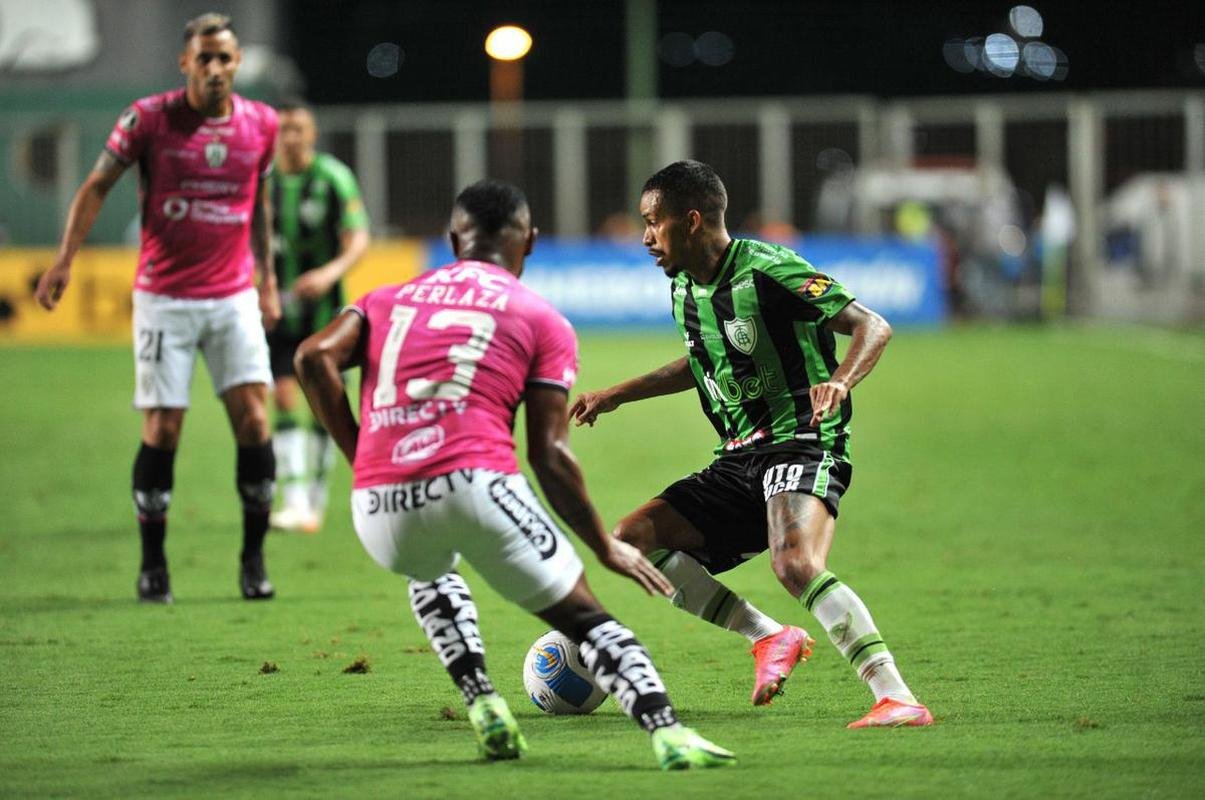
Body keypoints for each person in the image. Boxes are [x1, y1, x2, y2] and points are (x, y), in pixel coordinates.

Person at [294, 179, 734, 769]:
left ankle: (481, 701)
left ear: (454, 240)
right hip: (476, 483)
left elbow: (311, 358)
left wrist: (363, 458)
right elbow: (549, 456)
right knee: (586, 618)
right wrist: (603, 545)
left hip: (380, 508)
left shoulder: (384, 298)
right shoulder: (539, 317)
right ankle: (668, 734)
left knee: (429, 568)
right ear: (529, 241)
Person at [570, 160, 933, 729]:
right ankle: (770, 638)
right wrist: (619, 393)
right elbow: (703, 361)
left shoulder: (769, 269)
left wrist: (840, 380)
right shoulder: (686, 289)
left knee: (794, 564)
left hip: (802, 442)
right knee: (632, 541)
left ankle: (897, 697)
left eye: (653, 223)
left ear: (691, 221)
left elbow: (873, 325)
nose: (644, 238)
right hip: (739, 457)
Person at [34, 13, 280, 603]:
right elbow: (96, 185)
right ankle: (153, 567)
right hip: (165, 298)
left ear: (237, 62)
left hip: (232, 296)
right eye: (204, 58)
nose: (215, 69)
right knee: (164, 427)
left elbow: (261, 203)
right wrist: (66, 258)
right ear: (184, 63)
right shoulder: (147, 119)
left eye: (224, 58)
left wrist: (268, 280)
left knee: (253, 420)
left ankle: (253, 561)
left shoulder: (261, 124)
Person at [267, 102, 370, 534]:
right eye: (285, 129)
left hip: (326, 312)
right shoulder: (263, 183)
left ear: (312, 135)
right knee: (284, 396)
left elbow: (359, 237)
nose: (291, 137)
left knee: (324, 401)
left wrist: (329, 274)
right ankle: (294, 499)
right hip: (275, 310)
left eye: (299, 129)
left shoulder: (332, 178)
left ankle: (316, 499)